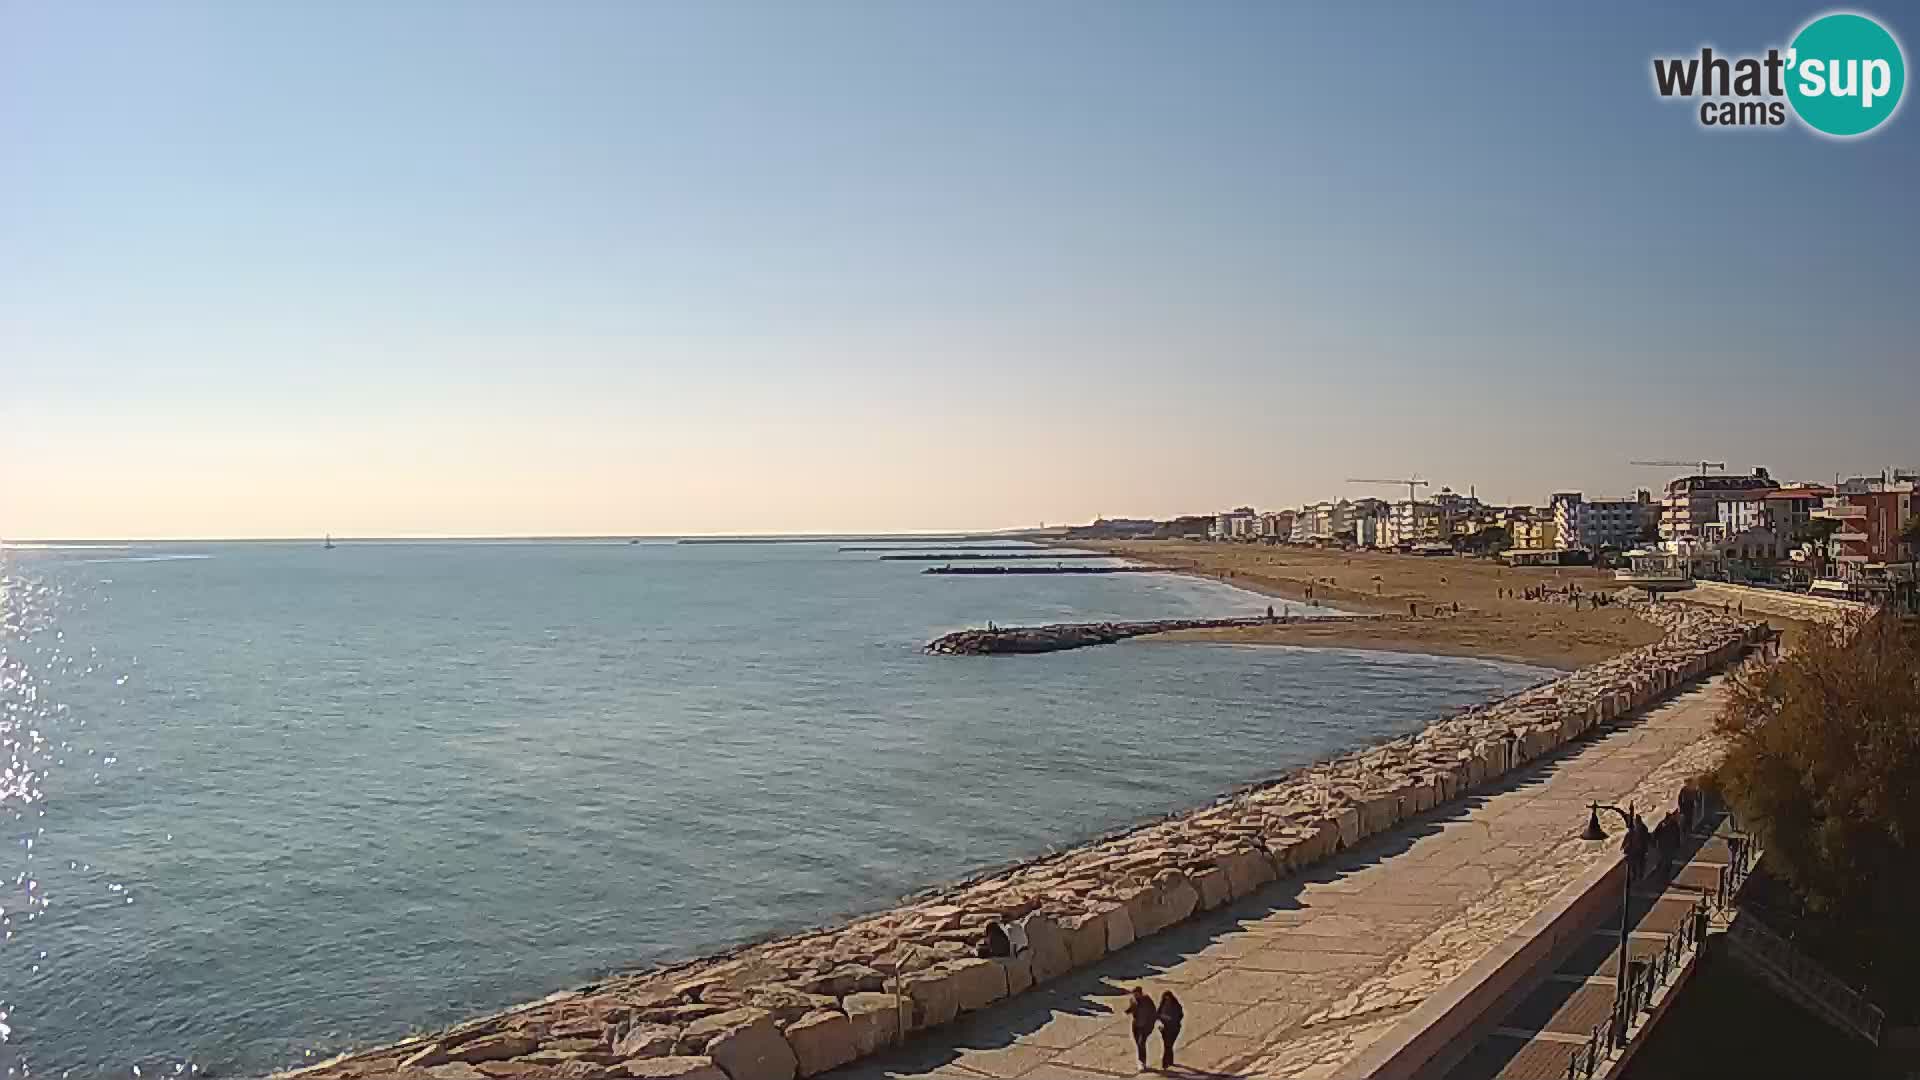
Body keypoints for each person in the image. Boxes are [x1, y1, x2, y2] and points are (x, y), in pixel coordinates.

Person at [1126, 987, 1157, 1069]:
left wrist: (1151, 1024)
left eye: (1136, 994)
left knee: (1141, 1043)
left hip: (1145, 1026)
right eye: (1134, 994)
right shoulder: (1133, 1000)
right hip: (1136, 1025)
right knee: (1138, 1044)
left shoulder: (1147, 1001)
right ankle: (1142, 1061)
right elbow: (1132, 1008)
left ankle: (1142, 1062)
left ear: (1140, 993)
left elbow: (1153, 1012)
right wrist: (1127, 1011)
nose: (1135, 996)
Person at [1157, 990, 1185, 1069]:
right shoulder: (1162, 1005)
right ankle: (1168, 1062)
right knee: (1167, 1045)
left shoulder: (1176, 1006)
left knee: (1168, 1045)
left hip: (1174, 1028)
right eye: (1165, 999)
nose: (1167, 1000)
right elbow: (1157, 1014)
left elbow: (1180, 1015)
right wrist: (1163, 1018)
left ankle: (1166, 1063)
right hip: (1165, 1028)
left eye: (1168, 999)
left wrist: (1172, 1019)